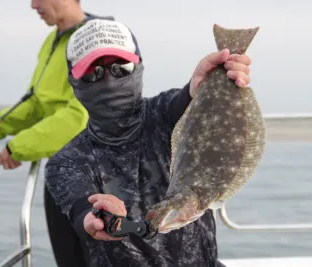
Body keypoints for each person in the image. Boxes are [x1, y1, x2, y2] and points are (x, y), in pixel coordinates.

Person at [45, 18, 253, 267]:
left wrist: (205, 85)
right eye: (95, 73)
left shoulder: (165, 114)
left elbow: (183, 103)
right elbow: (81, 209)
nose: (110, 80)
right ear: (75, 82)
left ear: (139, 66)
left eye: (121, 68)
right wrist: (95, 217)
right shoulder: (66, 163)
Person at [0, 1, 114, 266]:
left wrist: (17, 147)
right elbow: (36, 104)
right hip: (61, 174)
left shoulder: (98, 38)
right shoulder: (53, 41)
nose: (32, 5)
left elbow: (79, 114)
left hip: (97, 178)